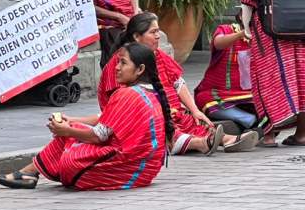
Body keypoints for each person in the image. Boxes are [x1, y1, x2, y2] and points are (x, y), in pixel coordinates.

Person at [0, 43, 173, 191]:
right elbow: (105, 117)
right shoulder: (151, 93)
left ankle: (29, 173)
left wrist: (66, 129)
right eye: (118, 62)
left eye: (123, 63)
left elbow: (99, 135)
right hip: (145, 171)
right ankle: (29, 172)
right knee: (72, 133)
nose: (117, 68)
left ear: (140, 68)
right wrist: (72, 121)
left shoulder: (127, 94)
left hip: (126, 169)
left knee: (69, 153)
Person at [99, 12, 258, 155]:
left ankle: (225, 139)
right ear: (136, 37)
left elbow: (178, 83)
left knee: (193, 121)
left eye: (158, 31)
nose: (158, 36)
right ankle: (201, 143)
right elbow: (119, 99)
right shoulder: (120, 62)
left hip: (172, 111)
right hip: (142, 114)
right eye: (153, 32)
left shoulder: (159, 55)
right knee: (161, 128)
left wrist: (194, 110)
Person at [237, 0, 305, 147]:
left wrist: (246, 30)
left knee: (266, 84)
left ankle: (268, 136)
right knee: (301, 84)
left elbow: (246, 8)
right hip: (299, 38)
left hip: (268, 39)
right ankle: (302, 135)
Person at [193, 13, 257, 131]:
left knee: (270, 99)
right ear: (241, 17)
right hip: (220, 93)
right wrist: (242, 33)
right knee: (204, 99)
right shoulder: (226, 29)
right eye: (250, 14)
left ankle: (257, 124)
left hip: (250, 94)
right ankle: (250, 121)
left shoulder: (264, 38)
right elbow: (218, 43)